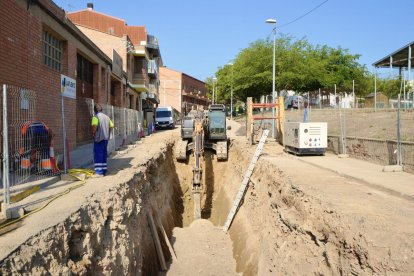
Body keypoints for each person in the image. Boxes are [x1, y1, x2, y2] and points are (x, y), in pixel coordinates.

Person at [91, 103, 114, 177]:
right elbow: (112, 125)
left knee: (98, 154)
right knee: (104, 154)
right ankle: (104, 170)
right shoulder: (107, 117)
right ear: (101, 110)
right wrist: (107, 132)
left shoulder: (95, 117)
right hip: (105, 139)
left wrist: (94, 133)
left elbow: (94, 127)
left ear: (95, 111)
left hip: (99, 139)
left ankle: (99, 172)